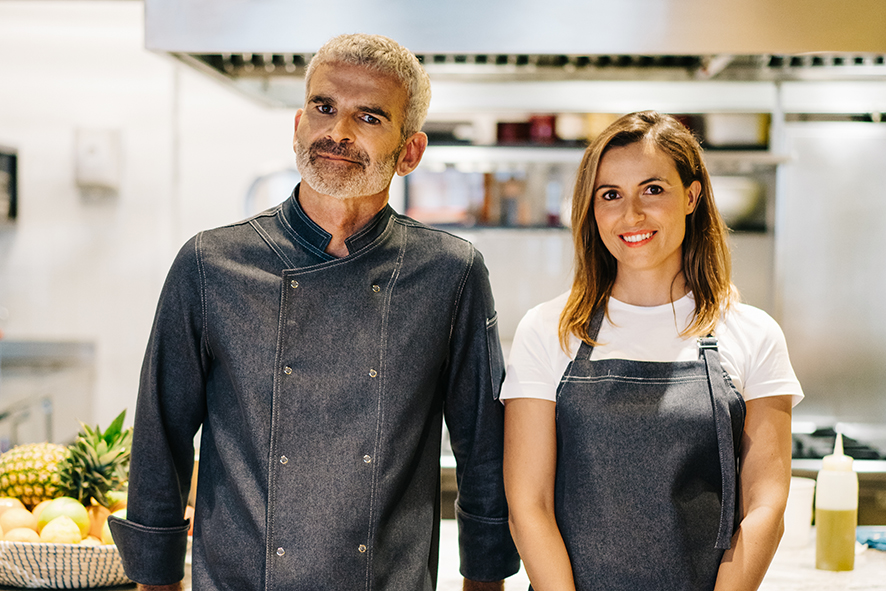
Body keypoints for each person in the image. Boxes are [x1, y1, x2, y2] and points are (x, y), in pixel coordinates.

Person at [110, 33, 519, 591]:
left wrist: (487, 579)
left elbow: (483, 451)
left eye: (369, 117)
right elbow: (163, 435)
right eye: (324, 108)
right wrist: (155, 580)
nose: (338, 132)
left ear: (410, 152)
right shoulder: (211, 264)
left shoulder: (451, 273)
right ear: (298, 123)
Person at [501, 111, 803, 591]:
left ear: (692, 195)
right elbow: (528, 505)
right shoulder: (548, 330)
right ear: (591, 209)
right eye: (610, 195)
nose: (632, 215)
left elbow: (766, 504)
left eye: (653, 189)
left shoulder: (752, 333)